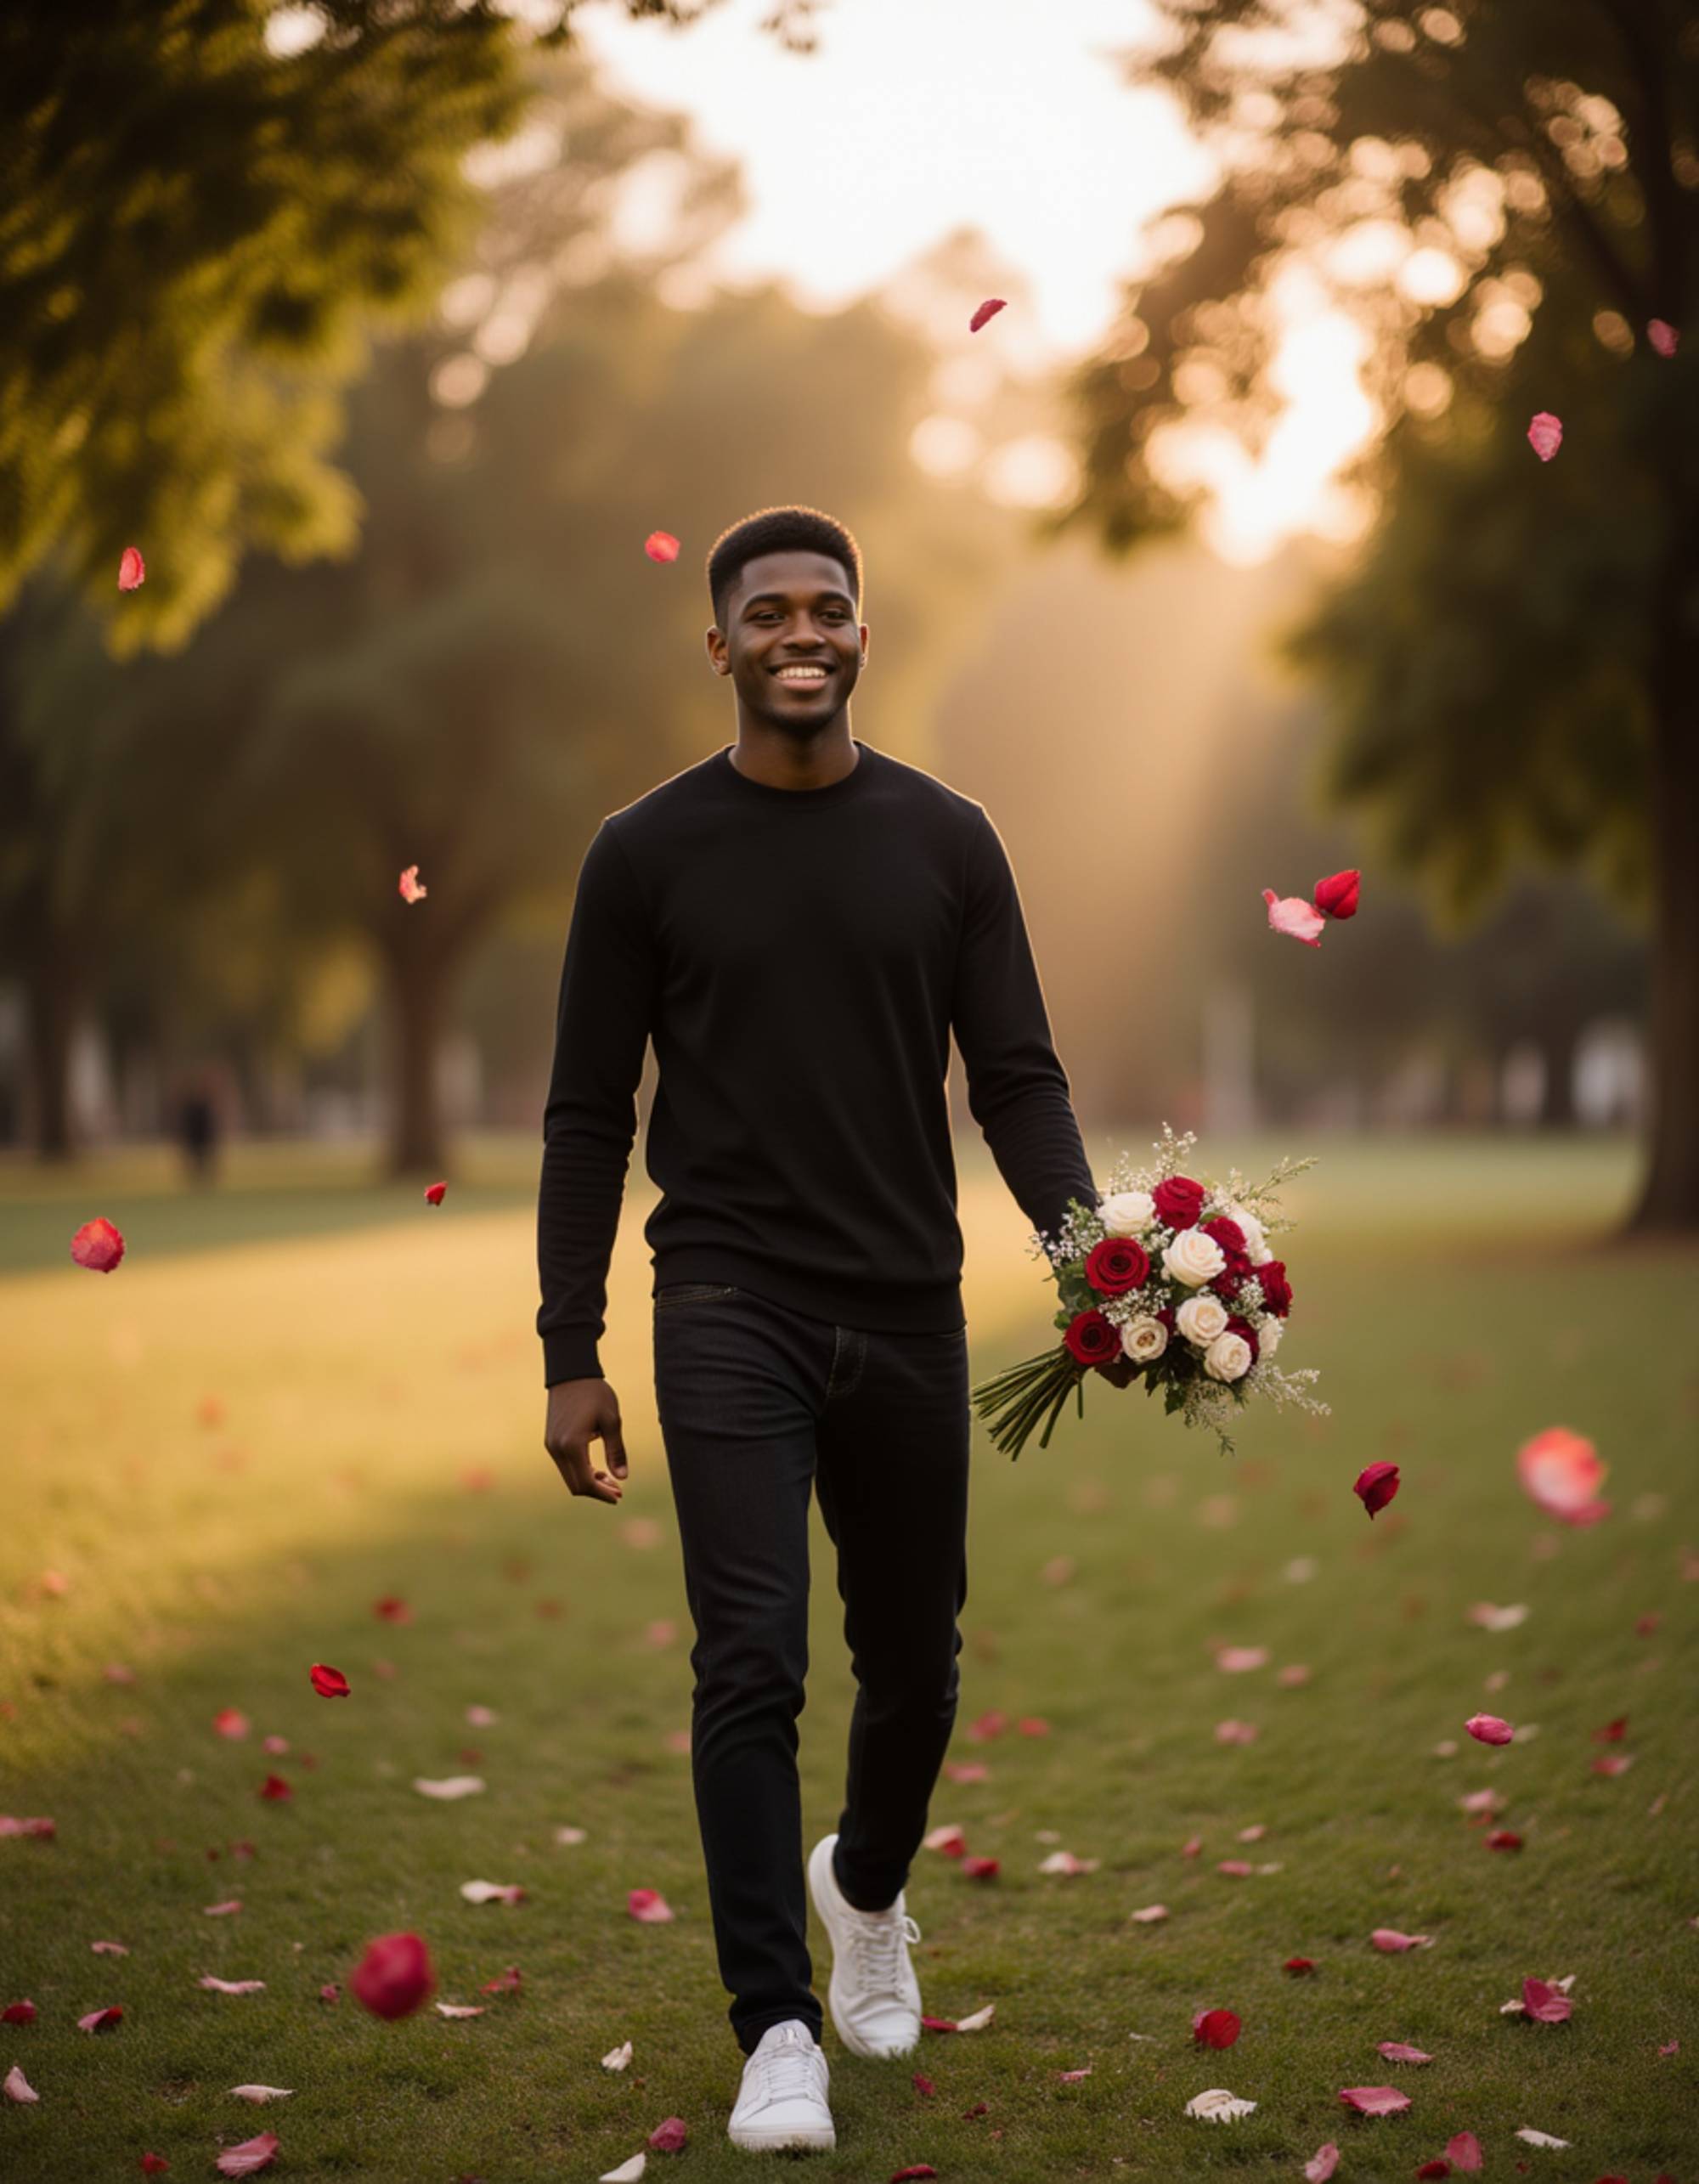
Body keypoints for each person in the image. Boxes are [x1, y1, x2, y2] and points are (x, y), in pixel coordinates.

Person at [537, 505, 1107, 2155]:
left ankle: (865, 1888)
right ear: (715, 645)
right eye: (768, 610)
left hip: (904, 1308)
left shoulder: (948, 842)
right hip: (722, 1301)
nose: (803, 631)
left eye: (829, 607)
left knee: (916, 1662)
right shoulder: (640, 853)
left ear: (865, 635)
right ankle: (774, 2024)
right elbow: (587, 1113)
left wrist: (1091, 1261)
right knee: (751, 1656)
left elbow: (1016, 1076)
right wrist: (570, 1343)